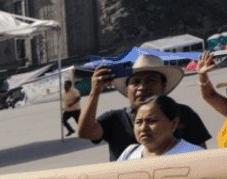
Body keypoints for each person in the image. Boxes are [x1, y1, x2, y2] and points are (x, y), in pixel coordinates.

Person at [77, 53, 211, 160]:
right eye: (136, 82)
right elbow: (85, 132)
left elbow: (201, 157)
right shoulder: (115, 120)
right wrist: (95, 92)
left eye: (150, 81)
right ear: (127, 88)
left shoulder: (182, 113)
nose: (142, 87)